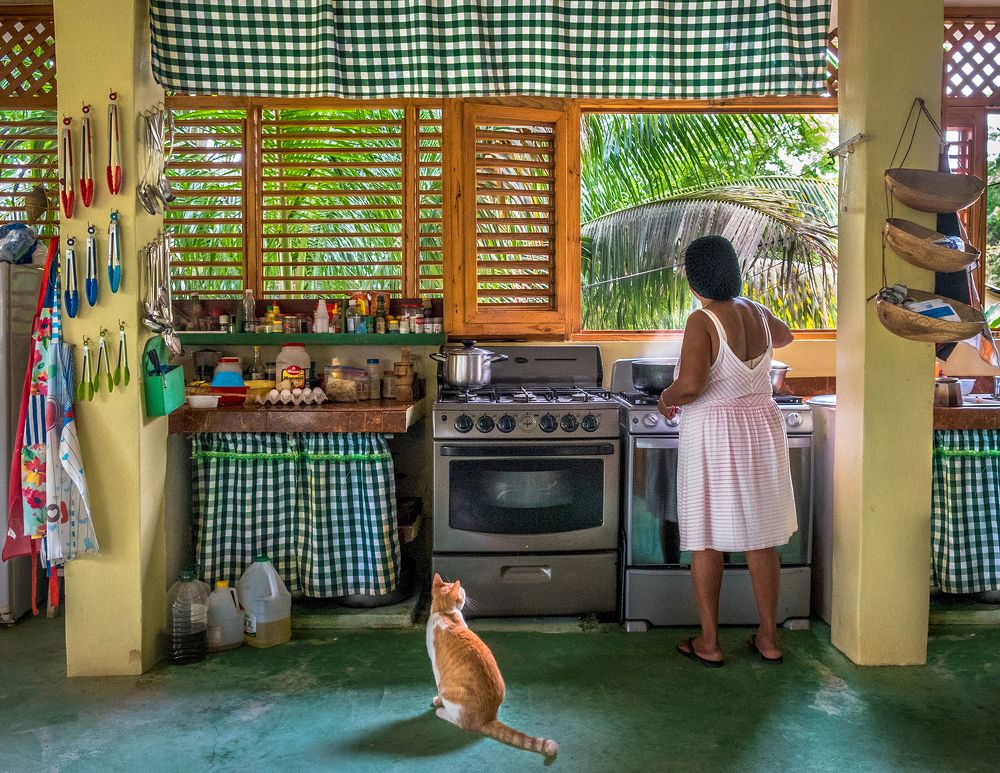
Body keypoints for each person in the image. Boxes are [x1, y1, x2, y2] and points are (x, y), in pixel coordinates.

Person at [657, 235, 796, 667]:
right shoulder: (755, 310)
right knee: (762, 539)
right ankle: (769, 638)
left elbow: (694, 384)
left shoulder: (702, 320)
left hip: (716, 432)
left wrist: (666, 397)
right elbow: (786, 336)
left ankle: (710, 642)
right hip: (761, 429)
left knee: (708, 539)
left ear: (693, 278)